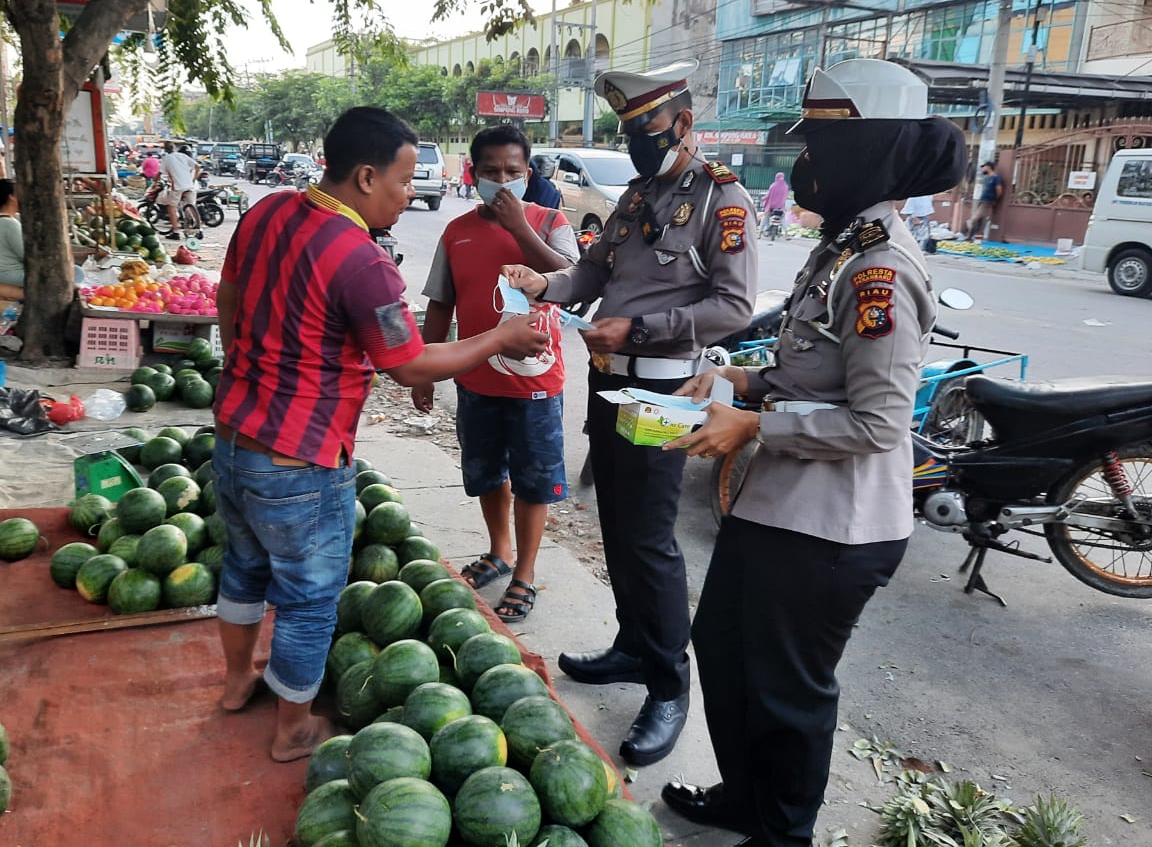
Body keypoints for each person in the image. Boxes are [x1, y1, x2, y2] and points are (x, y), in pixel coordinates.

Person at [658, 58, 967, 847]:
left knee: (788, 689)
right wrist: (742, 378)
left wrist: (754, 427)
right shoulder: (843, 246)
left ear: (874, 152)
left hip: (837, 529)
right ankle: (745, 797)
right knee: (724, 649)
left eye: (822, 147)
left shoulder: (880, 270)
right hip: (782, 504)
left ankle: (783, 832)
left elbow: (879, 425)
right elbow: (812, 369)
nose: (805, 165)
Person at [212, 106, 548, 763]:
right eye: (401, 180)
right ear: (365, 177)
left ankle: (233, 686)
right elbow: (409, 362)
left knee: (244, 569)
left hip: (232, 437)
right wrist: (501, 337)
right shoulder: (361, 260)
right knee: (309, 599)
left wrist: (245, 371)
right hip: (301, 459)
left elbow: (227, 297)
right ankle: (291, 730)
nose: (407, 192)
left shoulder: (266, 212)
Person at [503, 60, 758, 767]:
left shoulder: (721, 200)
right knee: (616, 527)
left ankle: (670, 683)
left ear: (681, 125)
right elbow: (597, 273)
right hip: (613, 386)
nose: (639, 144)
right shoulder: (639, 196)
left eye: (647, 131)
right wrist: (545, 282)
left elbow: (733, 307)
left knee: (650, 540)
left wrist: (639, 331)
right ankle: (630, 646)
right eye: (628, 133)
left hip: (664, 394)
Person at [412, 126, 579, 623]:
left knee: (534, 480)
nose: (502, 181)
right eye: (490, 172)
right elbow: (440, 303)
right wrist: (425, 371)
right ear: (473, 174)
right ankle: (499, 551)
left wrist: (519, 227)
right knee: (487, 472)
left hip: (535, 384)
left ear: (529, 174)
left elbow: (569, 282)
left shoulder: (551, 221)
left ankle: (525, 572)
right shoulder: (456, 231)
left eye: (513, 172)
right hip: (475, 378)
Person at [159, 141, 201, 239]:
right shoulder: (183, 156)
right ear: (174, 148)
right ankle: (199, 230)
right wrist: (193, 179)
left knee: (171, 207)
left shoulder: (166, 158)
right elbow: (198, 167)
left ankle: (176, 232)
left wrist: (155, 181)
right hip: (190, 185)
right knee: (192, 207)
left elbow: (160, 173)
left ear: (165, 149)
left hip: (177, 186)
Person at [964, 161, 1003, 240]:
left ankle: (969, 236)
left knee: (974, 219)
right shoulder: (987, 178)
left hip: (988, 201)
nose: (983, 169)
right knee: (980, 220)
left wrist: (995, 200)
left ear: (989, 167)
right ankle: (974, 237)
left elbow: (999, 190)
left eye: (984, 167)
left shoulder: (996, 177)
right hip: (982, 200)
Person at [761, 171, 789, 240]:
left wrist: (763, 199)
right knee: (782, 219)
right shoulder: (786, 187)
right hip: (780, 207)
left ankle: (759, 232)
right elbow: (785, 197)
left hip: (771, 207)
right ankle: (786, 234)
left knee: (766, 217)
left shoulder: (773, 186)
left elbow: (768, 195)